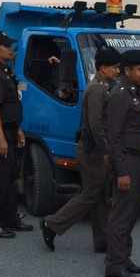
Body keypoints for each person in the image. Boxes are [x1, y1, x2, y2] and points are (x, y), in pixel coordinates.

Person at [40, 46, 122, 252]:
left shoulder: (105, 86)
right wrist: (105, 151)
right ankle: (52, 224)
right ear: (102, 68)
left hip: (95, 148)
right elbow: (96, 124)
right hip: (93, 150)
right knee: (90, 194)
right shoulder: (97, 89)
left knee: (102, 196)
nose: (117, 71)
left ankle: (102, 240)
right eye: (114, 68)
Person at [104, 49, 140, 277]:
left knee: (132, 212)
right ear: (127, 70)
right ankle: (115, 266)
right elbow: (113, 137)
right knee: (121, 215)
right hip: (125, 160)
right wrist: (122, 171)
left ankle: (124, 259)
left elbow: (139, 132)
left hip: (137, 158)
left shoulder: (135, 92)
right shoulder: (120, 95)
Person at [0, 31, 33, 239]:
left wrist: (18, 129)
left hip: (12, 130)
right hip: (0, 134)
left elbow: (12, 106)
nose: (11, 49)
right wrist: (1, 138)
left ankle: (10, 218)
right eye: (7, 46)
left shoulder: (6, 71)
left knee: (11, 177)